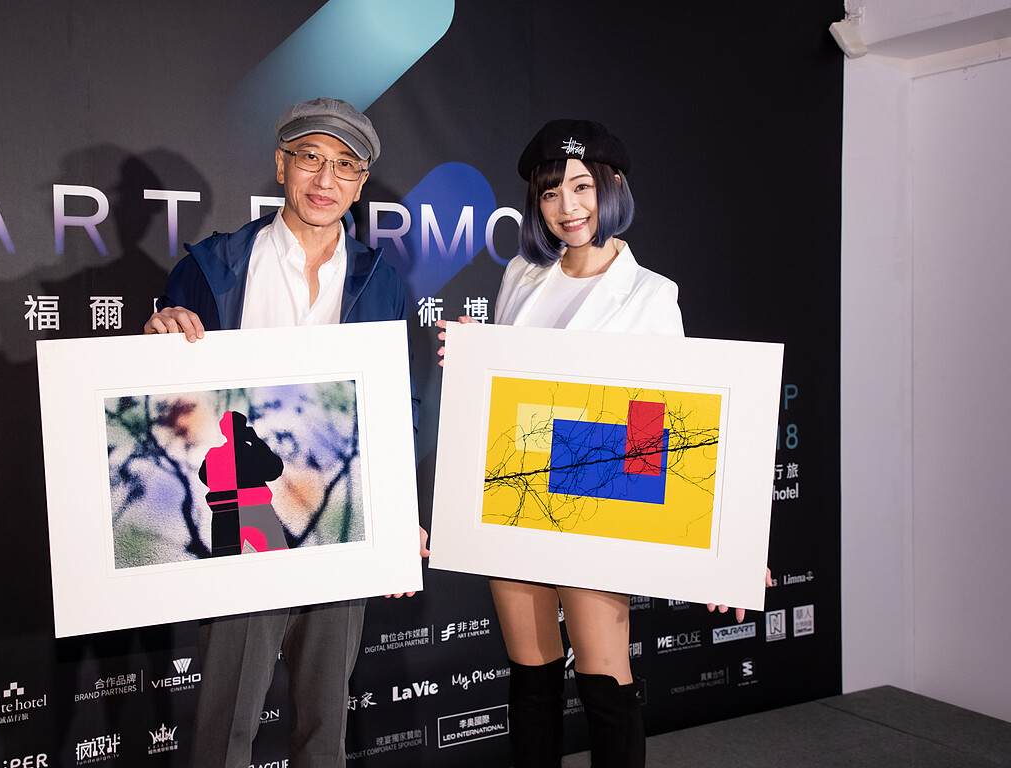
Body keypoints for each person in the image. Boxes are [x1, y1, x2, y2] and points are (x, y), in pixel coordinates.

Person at [437, 119, 768, 768]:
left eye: (582, 187)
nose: (567, 207)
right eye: (550, 192)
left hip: (598, 498)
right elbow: (506, 399)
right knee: (531, 677)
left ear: (612, 187)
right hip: (515, 496)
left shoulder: (651, 294)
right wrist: (474, 361)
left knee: (605, 681)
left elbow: (676, 424)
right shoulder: (520, 277)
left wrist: (733, 543)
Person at [145, 97, 426, 768]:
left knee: (324, 728)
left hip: (340, 521)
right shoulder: (211, 266)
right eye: (310, 158)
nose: (326, 180)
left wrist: (398, 512)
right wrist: (155, 341)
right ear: (281, 165)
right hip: (242, 524)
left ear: (360, 183)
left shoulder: (382, 282)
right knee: (225, 729)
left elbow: (397, 405)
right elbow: (170, 400)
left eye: (345, 166)